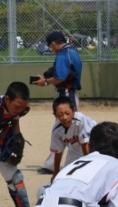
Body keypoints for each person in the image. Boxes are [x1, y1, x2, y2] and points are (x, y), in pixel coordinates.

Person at [44, 97, 101, 207]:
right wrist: (56, 173)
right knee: (67, 177)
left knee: (93, 179)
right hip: (75, 148)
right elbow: (58, 151)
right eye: (60, 114)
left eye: (67, 113)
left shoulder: (80, 120)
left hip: (95, 144)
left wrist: (90, 166)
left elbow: (85, 145)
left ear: (74, 111)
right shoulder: (56, 130)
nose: (64, 117)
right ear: (55, 115)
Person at [33, 31, 83, 175]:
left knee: (67, 126)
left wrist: (46, 82)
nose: (51, 48)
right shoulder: (72, 51)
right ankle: (54, 163)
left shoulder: (62, 54)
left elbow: (61, 77)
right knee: (66, 126)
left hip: (66, 93)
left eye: (50, 46)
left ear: (54, 43)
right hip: (69, 92)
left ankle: (58, 164)